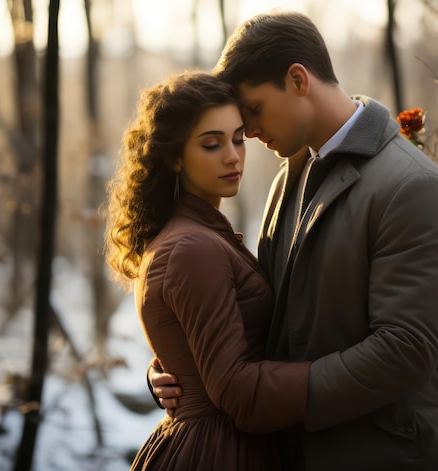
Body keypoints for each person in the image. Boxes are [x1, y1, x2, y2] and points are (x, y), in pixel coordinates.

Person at [149, 10, 438, 471]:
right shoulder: (289, 178)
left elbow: (406, 349)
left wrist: (262, 399)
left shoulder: (411, 187)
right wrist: (183, 371)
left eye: (254, 110)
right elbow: (265, 315)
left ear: (298, 79)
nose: (250, 134)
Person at [103, 71, 310, 471]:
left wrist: (167, 371)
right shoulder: (192, 247)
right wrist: (341, 373)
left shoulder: (199, 235)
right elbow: (235, 389)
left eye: (237, 139)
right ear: (175, 156)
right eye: (212, 144)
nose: (233, 156)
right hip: (219, 452)